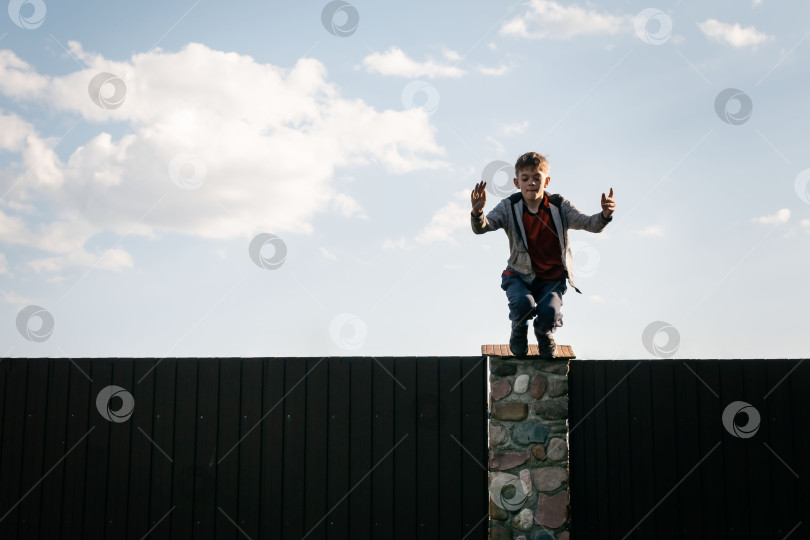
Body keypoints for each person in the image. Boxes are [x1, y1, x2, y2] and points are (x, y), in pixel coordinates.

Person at [470, 151, 616, 357]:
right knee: (524, 304)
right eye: (525, 178)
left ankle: (543, 332)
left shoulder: (559, 206)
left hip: (552, 279)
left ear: (546, 180)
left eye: (537, 178)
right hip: (519, 275)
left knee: (549, 312)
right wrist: (477, 213)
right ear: (516, 182)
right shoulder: (509, 207)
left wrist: (605, 215)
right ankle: (519, 328)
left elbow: (589, 223)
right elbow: (483, 227)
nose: (531, 183)